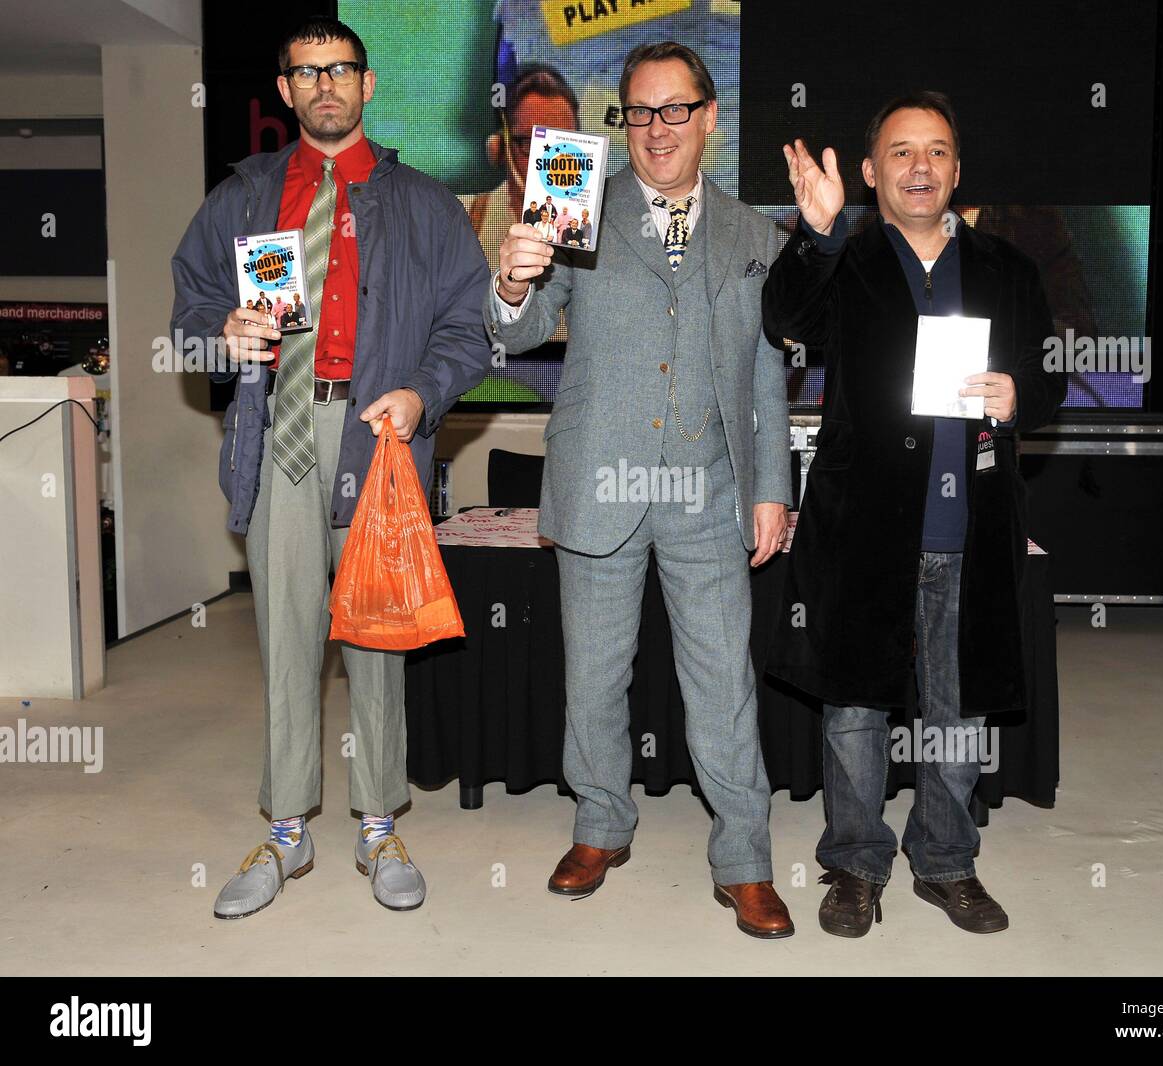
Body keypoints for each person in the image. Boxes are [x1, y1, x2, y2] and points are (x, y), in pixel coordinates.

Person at [170, 16, 492, 919]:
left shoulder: (424, 203)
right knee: (285, 640)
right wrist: (219, 335)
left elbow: (469, 328)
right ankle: (285, 831)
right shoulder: (243, 196)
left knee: (377, 641)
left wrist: (423, 394)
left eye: (339, 69)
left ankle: (380, 823)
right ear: (284, 91)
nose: (323, 85)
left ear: (368, 83)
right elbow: (189, 309)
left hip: (378, 437)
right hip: (277, 435)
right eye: (305, 72)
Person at [487, 41, 794, 939]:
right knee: (592, 676)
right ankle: (599, 825)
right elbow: (519, 327)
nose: (657, 129)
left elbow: (768, 377)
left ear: (708, 117)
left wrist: (773, 489)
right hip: (598, 479)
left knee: (723, 683)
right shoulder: (573, 206)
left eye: (675, 109)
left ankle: (744, 857)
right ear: (623, 123)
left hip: (710, 489)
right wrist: (513, 275)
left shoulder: (754, 237)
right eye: (640, 112)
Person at [762, 92, 1065, 938]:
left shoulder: (1008, 268)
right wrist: (816, 233)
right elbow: (783, 319)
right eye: (900, 153)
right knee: (855, 709)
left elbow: (1048, 377)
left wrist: (1020, 395)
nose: (919, 167)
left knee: (958, 713)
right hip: (866, 531)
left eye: (936, 151)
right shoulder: (847, 263)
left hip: (972, 528)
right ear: (870, 173)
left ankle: (946, 861)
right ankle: (855, 866)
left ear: (957, 170)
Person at [459, 65, 579, 274]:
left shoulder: (604, 232)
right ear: (500, 148)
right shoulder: (454, 222)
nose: (550, 164)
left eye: (563, 146)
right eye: (532, 144)